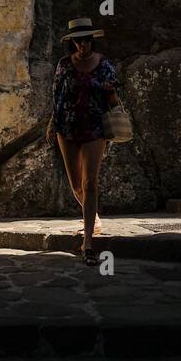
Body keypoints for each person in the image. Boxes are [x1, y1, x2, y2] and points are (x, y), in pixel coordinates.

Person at [49, 16, 121, 266]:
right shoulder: (64, 65)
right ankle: (94, 216)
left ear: (92, 40)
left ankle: (87, 243)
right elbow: (57, 97)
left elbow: (113, 97)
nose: (84, 45)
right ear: (73, 42)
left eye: (87, 40)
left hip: (94, 128)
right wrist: (52, 124)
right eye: (79, 41)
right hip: (66, 128)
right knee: (76, 185)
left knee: (90, 183)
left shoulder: (104, 66)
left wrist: (117, 116)